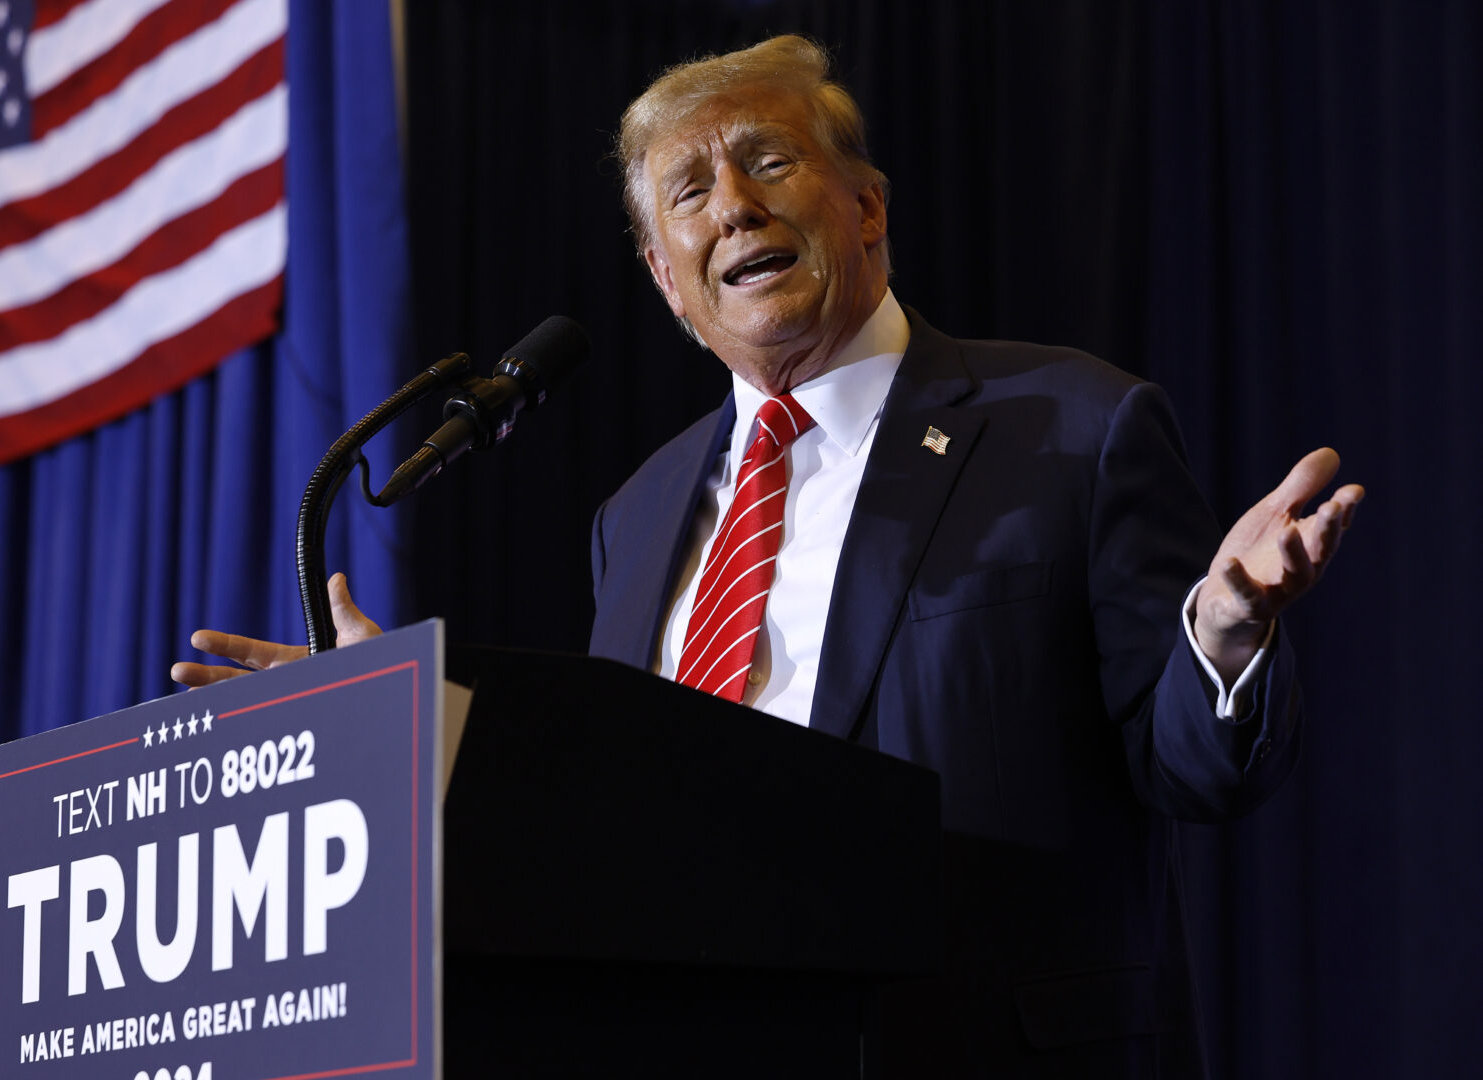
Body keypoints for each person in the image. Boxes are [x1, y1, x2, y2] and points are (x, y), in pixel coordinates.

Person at [176, 36, 1362, 1077]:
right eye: (687, 190)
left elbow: (1198, 770)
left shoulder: (1072, 426)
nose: (731, 204)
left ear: (868, 208)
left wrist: (1222, 637)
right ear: (666, 283)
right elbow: (620, 810)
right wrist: (420, 724)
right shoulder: (633, 517)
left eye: (770, 161)